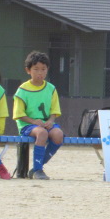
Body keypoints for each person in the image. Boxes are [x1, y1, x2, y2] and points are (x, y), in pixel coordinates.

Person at [12, 51, 64, 180]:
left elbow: (54, 111)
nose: (40, 72)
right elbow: (19, 114)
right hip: (27, 125)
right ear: (28, 70)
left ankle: (36, 167)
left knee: (58, 134)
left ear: (47, 70)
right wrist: (34, 121)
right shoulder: (22, 90)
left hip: (45, 124)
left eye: (43, 69)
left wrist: (51, 120)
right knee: (42, 133)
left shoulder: (51, 88)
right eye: (36, 69)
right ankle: (38, 170)